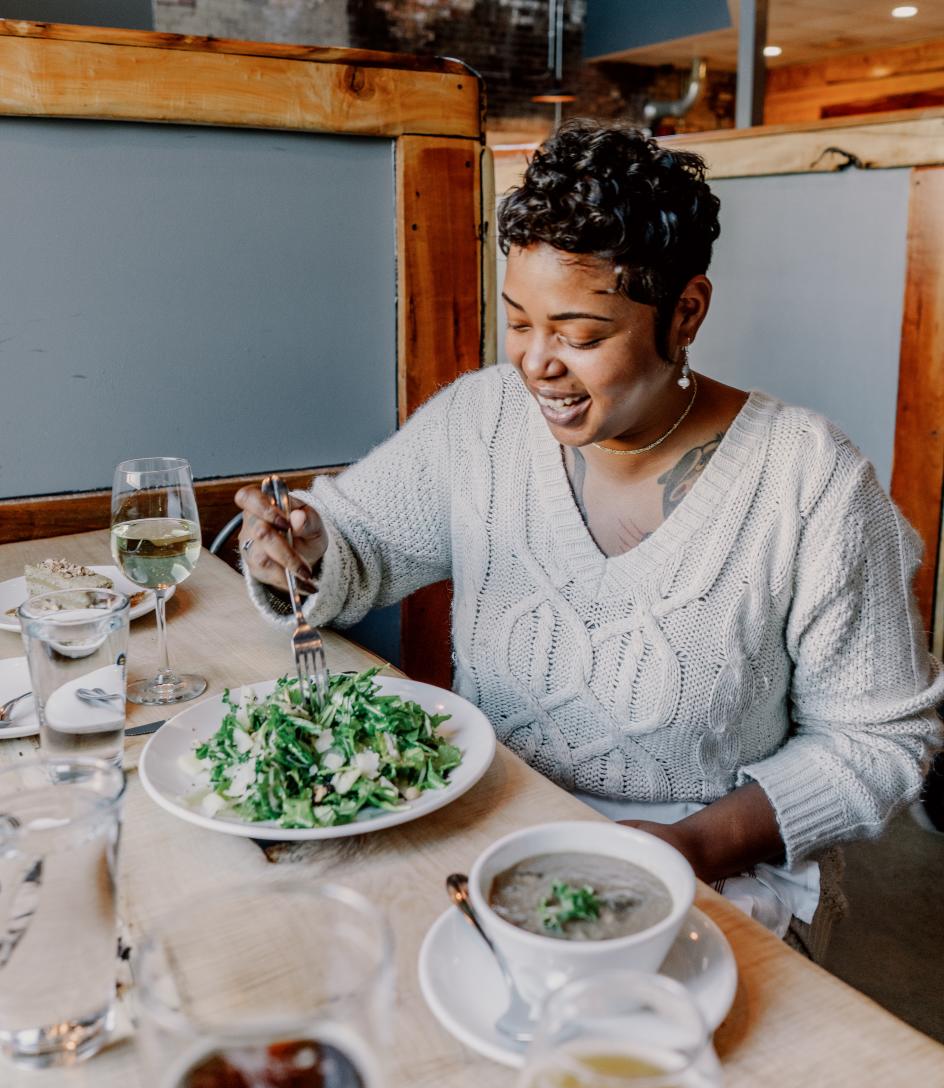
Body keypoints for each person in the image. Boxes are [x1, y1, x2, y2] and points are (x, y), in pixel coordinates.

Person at [235, 119, 943, 958]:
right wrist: (304, 550)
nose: (536, 362)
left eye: (580, 334)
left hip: (710, 877)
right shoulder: (485, 418)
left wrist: (694, 847)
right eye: (520, 322)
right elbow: (362, 539)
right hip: (488, 843)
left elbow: (879, 740)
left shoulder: (809, 483)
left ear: (685, 311)